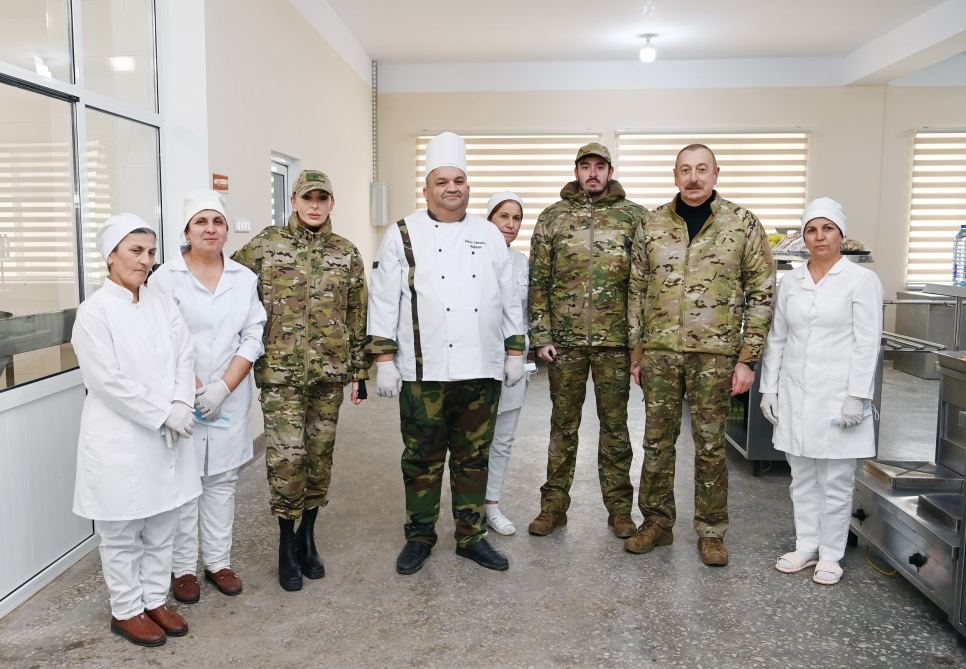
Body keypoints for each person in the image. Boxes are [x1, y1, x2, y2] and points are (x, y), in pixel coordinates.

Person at [367, 131, 526, 575]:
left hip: (481, 369)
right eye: (442, 181)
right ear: (427, 189)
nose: (451, 188)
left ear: (468, 186)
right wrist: (383, 359)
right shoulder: (403, 232)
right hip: (424, 371)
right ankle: (419, 536)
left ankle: (471, 537)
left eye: (459, 180)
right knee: (421, 458)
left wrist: (515, 350)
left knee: (473, 458)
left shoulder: (489, 235)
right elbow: (384, 298)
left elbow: (509, 298)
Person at [625, 143, 774, 566]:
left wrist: (747, 358)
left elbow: (762, 293)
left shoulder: (742, 223)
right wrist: (637, 350)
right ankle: (656, 523)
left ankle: (711, 531)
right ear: (675, 176)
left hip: (716, 355)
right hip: (660, 354)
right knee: (656, 443)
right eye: (685, 170)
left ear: (716, 173)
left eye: (702, 169)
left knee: (710, 446)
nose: (693, 178)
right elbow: (636, 289)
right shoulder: (653, 223)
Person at [233, 170, 369, 592]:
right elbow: (226, 283)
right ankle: (286, 542)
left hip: (330, 374)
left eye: (321, 199)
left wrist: (359, 372)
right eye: (307, 198)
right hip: (281, 376)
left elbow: (357, 315)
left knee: (319, 457)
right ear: (293, 201)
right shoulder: (266, 244)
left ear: (331, 204)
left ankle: (308, 534)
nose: (314, 206)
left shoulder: (346, 252)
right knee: (287, 460)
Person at [71, 213, 200, 647]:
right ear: (111, 256)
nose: (145, 260)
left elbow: (184, 353)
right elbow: (107, 382)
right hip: (121, 437)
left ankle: (154, 599)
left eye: (151, 252)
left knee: (163, 522)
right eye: (135, 251)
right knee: (122, 531)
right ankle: (126, 610)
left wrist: (181, 402)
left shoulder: (160, 300)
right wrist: (164, 413)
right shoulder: (94, 312)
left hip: (168, 433)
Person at [759, 197, 882, 586]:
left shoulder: (861, 280)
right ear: (804, 237)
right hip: (796, 393)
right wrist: (769, 389)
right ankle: (806, 546)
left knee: (836, 481)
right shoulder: (791, 283)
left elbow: (867, 343)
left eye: (827, 228)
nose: (819, 236)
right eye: (811, 230)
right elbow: (778, 338)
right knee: (801, 478)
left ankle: (831, 555)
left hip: (837, 396)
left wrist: (857, 395)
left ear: (840, 234)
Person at [527, 143, 647, 539]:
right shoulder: (553, 218)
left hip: (616, 343)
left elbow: (644, 283)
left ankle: (620, 511)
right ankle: (552, 508)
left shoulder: (634, 217)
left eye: (599, 166)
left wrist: (638, 343)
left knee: (615, 429)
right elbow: (538, 281)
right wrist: (541, 334)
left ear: (610, 171)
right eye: (585, 166)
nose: (592, 173)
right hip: (565, 343)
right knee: (563, 426)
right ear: (576, 171)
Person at [151, 190, 266, 604]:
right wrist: (193, 387)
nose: (210, 229)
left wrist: (223, 387)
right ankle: (182, 568)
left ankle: (218, 562)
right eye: (201, 221)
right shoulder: (164, 278)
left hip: (229, 396)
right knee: (184, 484)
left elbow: (252, 336)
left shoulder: (243, 278)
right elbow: (161, 339)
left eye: (217, 222)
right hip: (181, 396)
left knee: (221, 481)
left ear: (226, 230)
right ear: (186, 231)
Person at [483, 191, 533, 536]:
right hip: (479, 362)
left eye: (516, 218)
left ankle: (492, 505)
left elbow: (524, 313)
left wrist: (523, 354)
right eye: (503, 216)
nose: (510, 224)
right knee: (474, 441)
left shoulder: (521, 262)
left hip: (515, 362)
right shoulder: (472, 258)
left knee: (502, 440)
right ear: (489, 219)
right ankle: (468, 508)